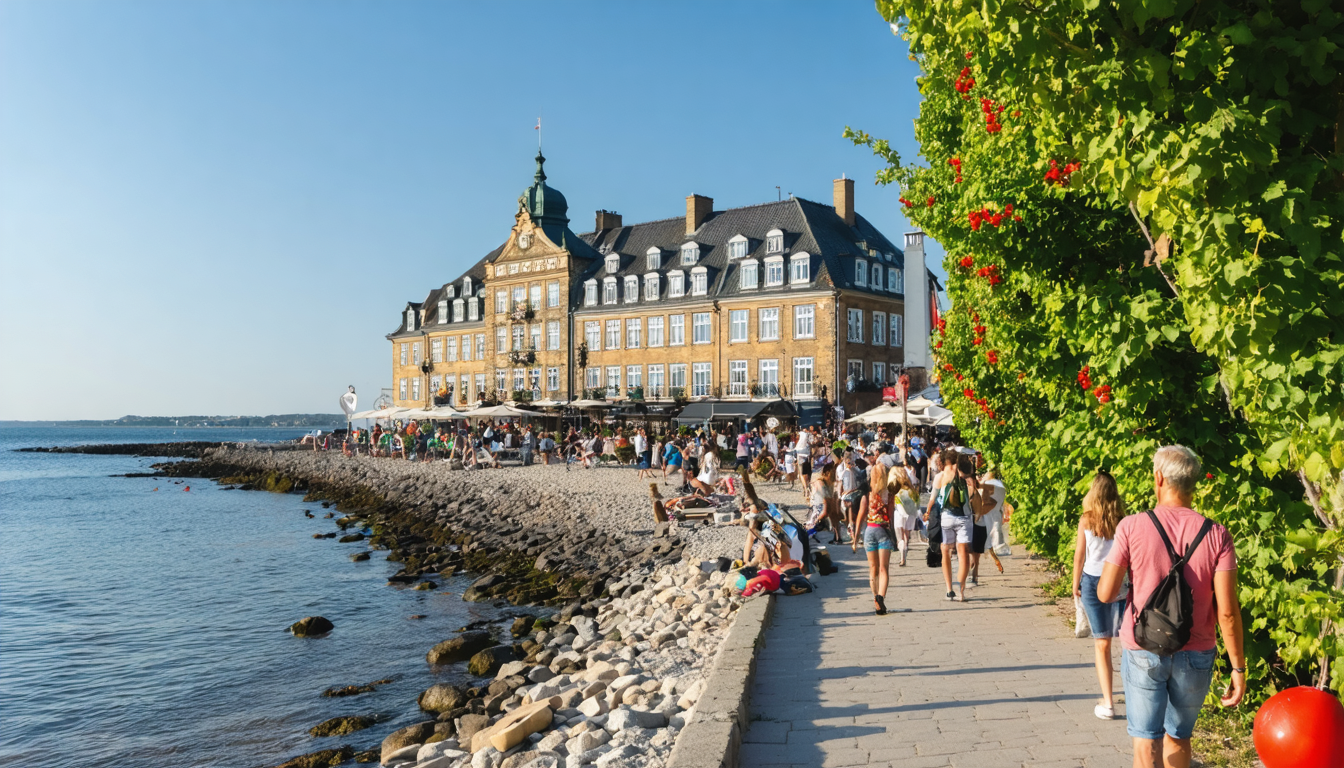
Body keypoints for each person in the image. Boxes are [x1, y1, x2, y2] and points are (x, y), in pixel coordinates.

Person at [1097, 447, 1244, 768]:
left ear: (1159, 478)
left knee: (1145, 740)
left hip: (1144, 646)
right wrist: (1238, 668)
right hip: (1197, 651)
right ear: (1193, 483)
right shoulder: (1218, 534)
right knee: (1179, 736)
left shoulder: (1132, 526)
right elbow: (1228, 612)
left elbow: (1105, 593)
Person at [1071, 471, 1128, 721]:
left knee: (1101, 643)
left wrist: (1075, 584)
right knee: (1127, 642)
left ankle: (1108, 702)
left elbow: (1079, 556)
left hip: (1092, 580)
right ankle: (1136, 696)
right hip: (1118, 579)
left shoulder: (1086, 520)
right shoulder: (1123, 520)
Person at [936, 455, 980, 601]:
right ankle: (961, 591)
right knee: (963, 553)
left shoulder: (943, 476)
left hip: (947, 518)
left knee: (946, 551)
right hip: (964, 518)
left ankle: (949, 589)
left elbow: (936, 497)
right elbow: (975, 499)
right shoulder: (968, 479)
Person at [863, 462, 896, 614]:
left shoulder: (868, 493)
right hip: (883, 530)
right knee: (884, 569)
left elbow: (862, 514)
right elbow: (890, 516)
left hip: (870, 530)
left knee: (873, 569)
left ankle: (876, 598)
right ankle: (882, 596)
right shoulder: (889, 494)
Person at [889, 468, 920, 567]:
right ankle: (904, 557)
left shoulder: (896, 489)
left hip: (899, 514)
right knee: (906, 535)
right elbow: (917, 503)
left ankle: (901, 556)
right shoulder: (911, 489)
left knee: (900, 538)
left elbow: (893, 503)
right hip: (910, 514)